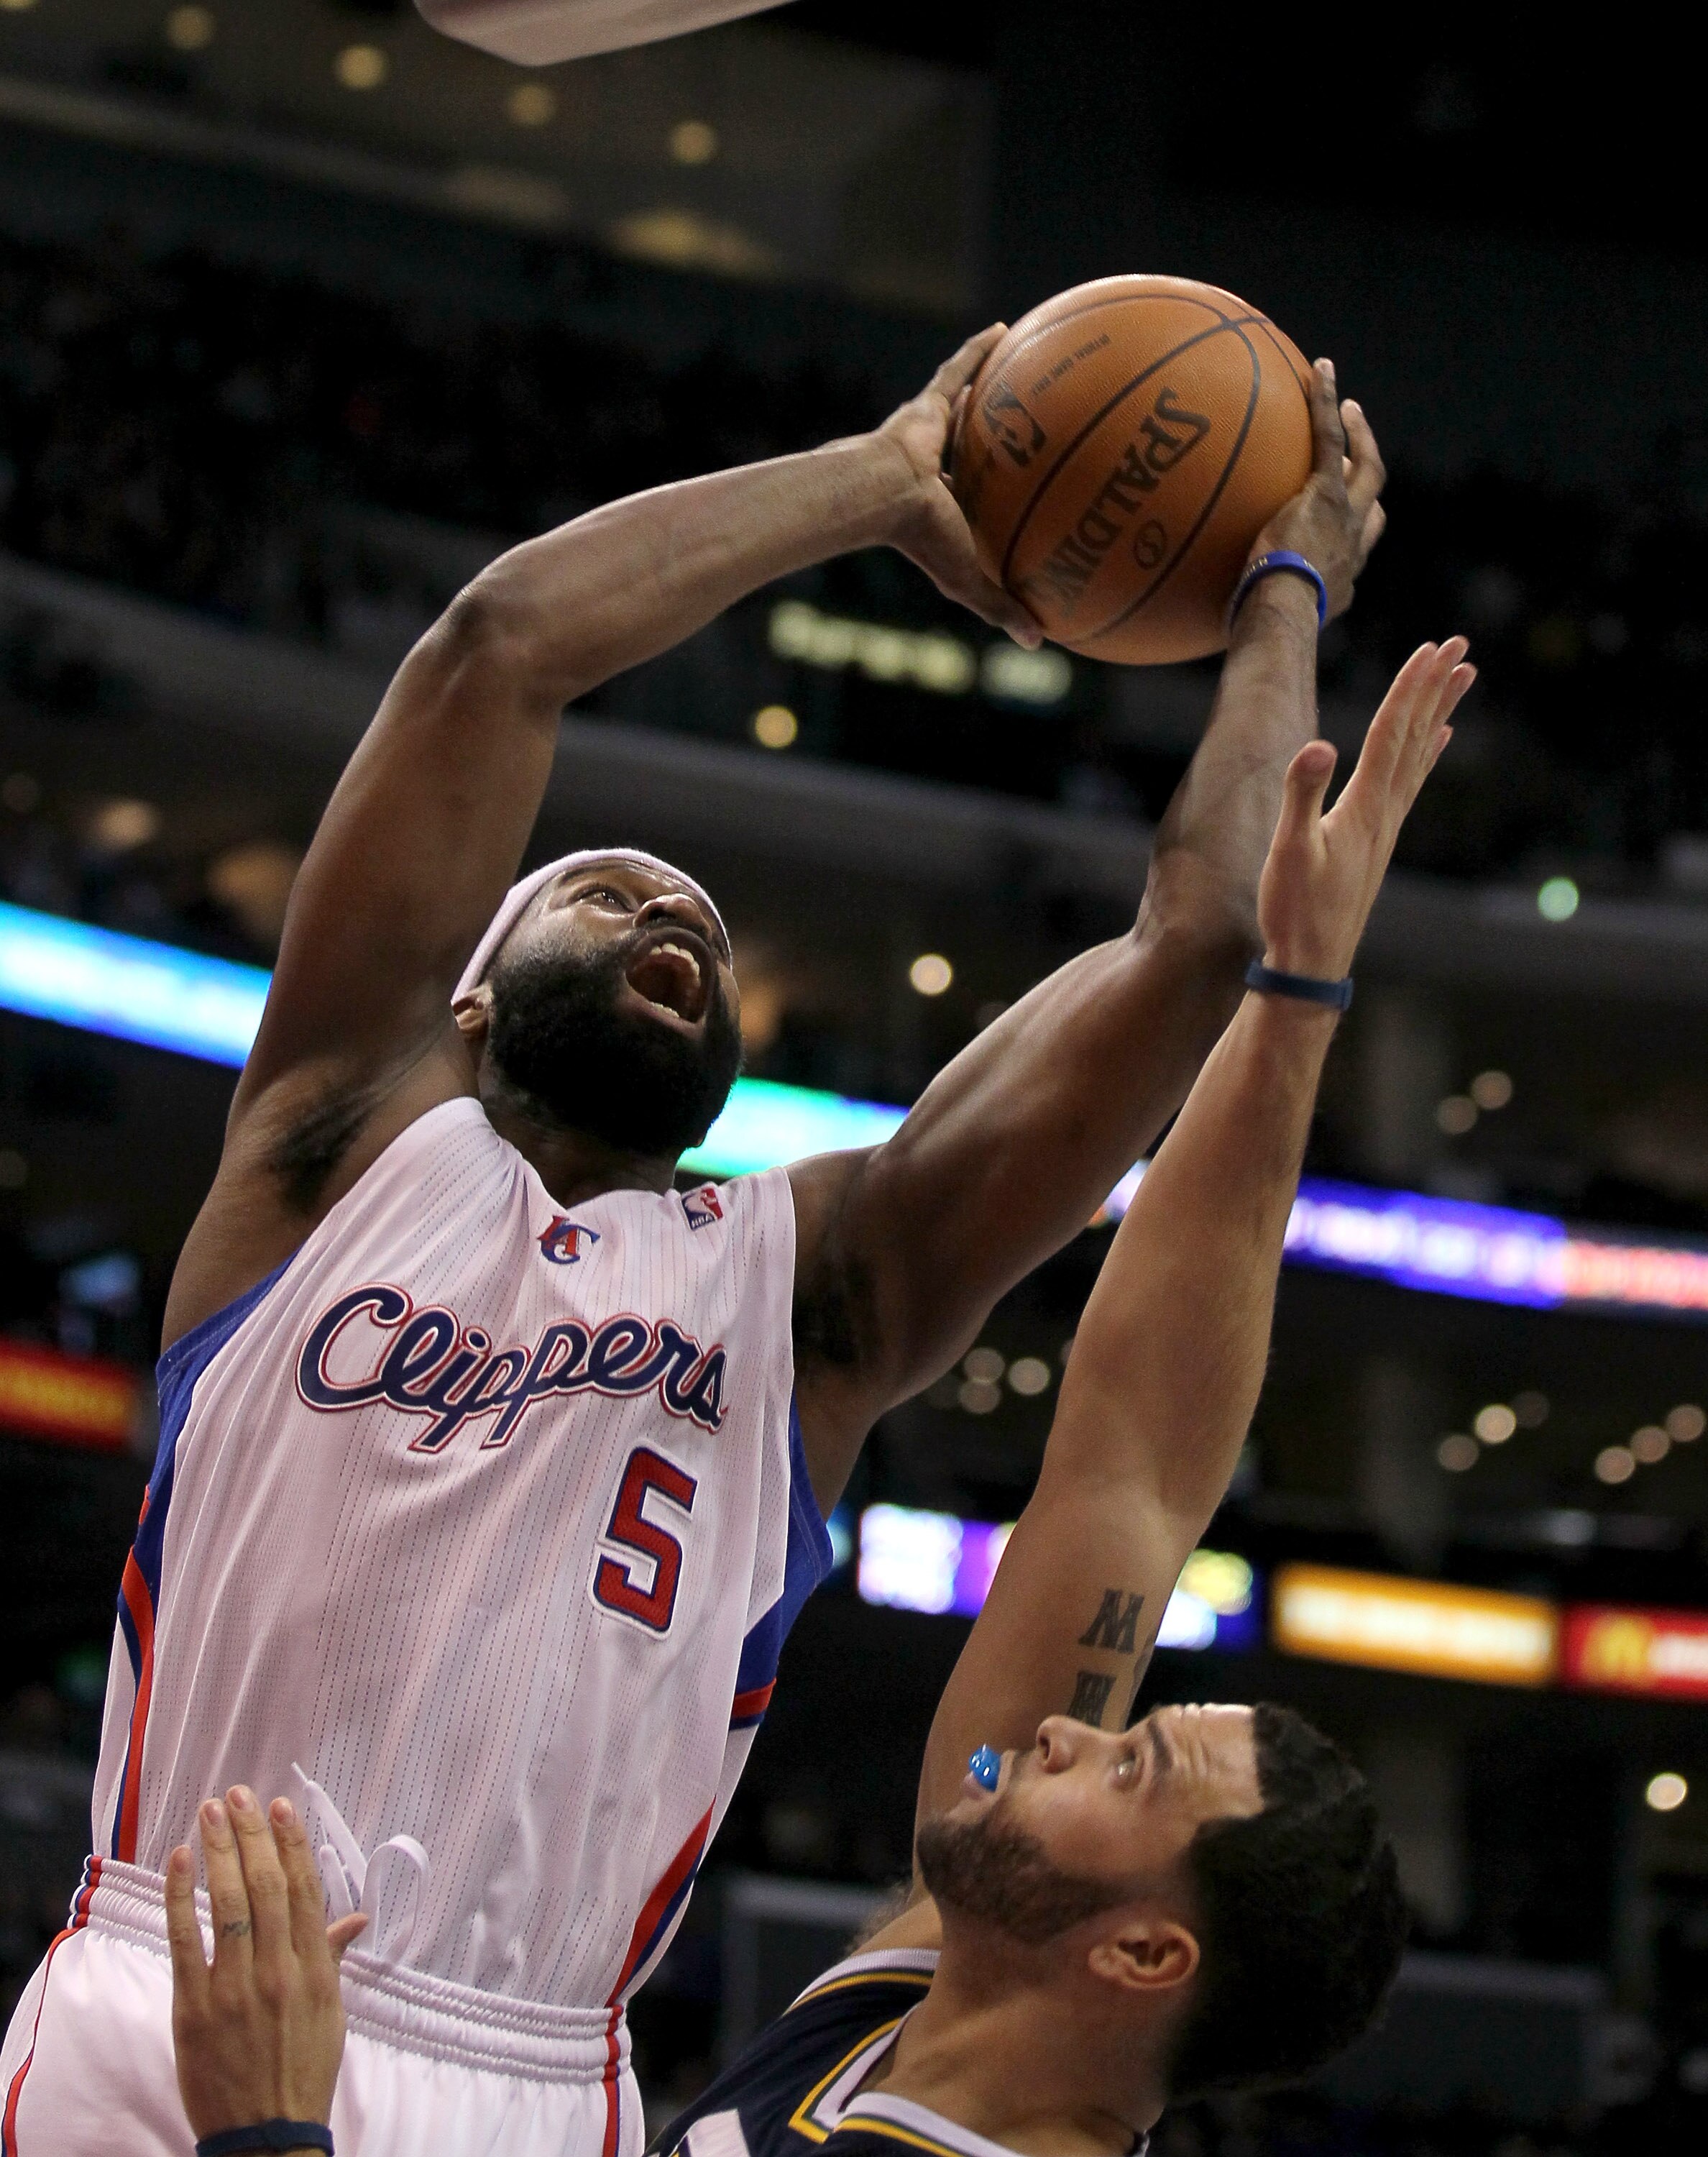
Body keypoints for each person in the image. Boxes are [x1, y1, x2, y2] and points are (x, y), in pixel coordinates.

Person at [1, 326, 1385, 2156]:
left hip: (540, 2069)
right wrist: (891, 482)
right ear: (469, 1004)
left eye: (703, 929)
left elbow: (1200, 936)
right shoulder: (330, 1150)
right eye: (601, 893)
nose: (669, 904)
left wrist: (1279, 584)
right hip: (178, 1991)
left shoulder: (807, 1292)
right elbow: (500, 652)